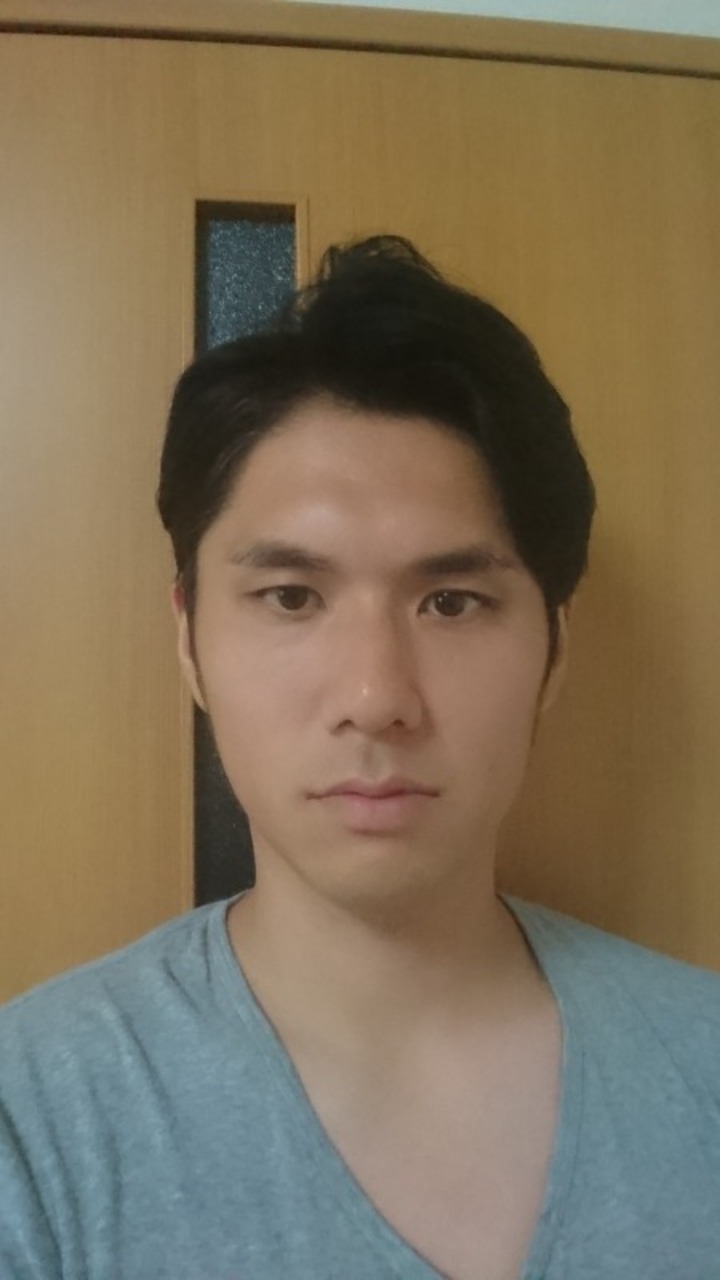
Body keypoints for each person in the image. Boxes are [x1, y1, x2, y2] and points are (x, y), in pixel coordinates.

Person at [1, 236, 719, 1280]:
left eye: (452, 602)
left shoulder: (702, 1066)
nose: (377, 698)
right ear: (188, 639)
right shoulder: (36, 1122)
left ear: (555, 649)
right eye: (291, 597)